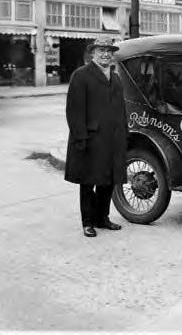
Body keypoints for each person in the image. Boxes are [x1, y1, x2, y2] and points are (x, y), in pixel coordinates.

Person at [65, 37, 128, 238]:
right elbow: (74, 111)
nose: (105, 54)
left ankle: (103, 218)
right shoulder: (81, 75)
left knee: (108, 180)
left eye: (109, 51)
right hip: (91, 140)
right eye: (101, 50)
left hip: (113, 139)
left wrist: (124, 133)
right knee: (88, 181)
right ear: (92, 53)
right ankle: (88, 222)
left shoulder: (116, 78)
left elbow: (121, 109)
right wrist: (80, 139)